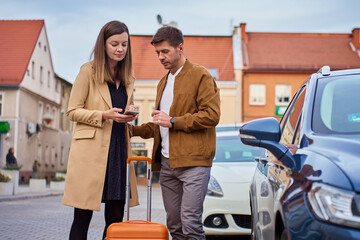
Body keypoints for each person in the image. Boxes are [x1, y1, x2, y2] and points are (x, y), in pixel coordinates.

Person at [132, 26, 220, 240]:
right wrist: (132, 129)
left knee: (190, 223)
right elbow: (160, 125)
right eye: (157, 53)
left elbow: (212, 115)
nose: (160, 57)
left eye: (165, 52)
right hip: (168, 165)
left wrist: (173, 121)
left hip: (195, 164)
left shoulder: (201, 75)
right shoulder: (163, 82)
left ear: (180, 48)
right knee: (175, 225)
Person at [62, 20, 139, 240]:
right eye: (115, 44)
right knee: (82, 217)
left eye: (124, 44)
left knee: (115, 221)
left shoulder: (128, 78)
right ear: (103, 45)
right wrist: (103, 115)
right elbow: (72, 111)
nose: (120, 49)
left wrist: (130, 113)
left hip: (118, 152)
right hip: (91, 153)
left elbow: (122, 111)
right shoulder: (88, 71)